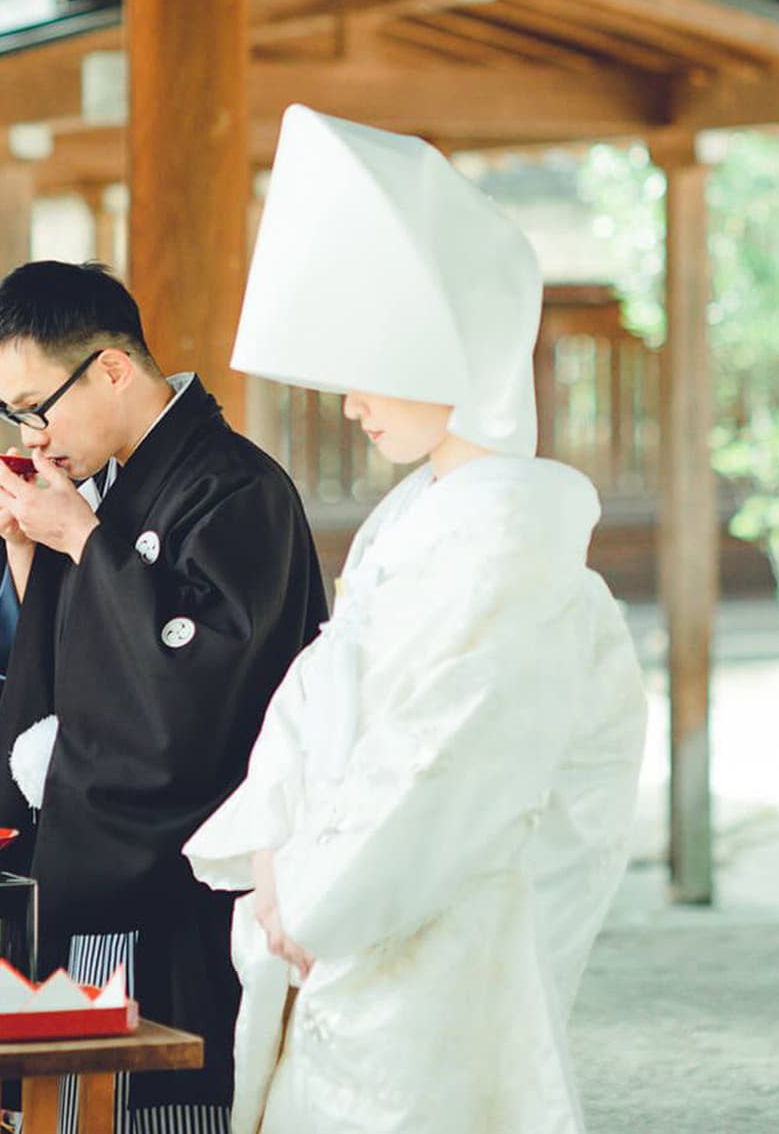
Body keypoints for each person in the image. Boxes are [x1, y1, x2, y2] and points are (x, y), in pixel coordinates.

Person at [184, 106, 649, 1134]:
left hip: (440, 961)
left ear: (454, 351)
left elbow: (443, 769)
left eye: (369, 362)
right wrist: (274, 848)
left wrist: (306, 892)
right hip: (337, 936)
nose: (350, 400)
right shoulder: (418, 527)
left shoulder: (519, 560)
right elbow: (310, 698)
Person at [0, 261, 327, 1134]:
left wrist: (82, 536)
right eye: (11, 414)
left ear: (113, 368)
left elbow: (200, 696)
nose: (31, 435)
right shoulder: (102, 490)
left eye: (36, 405)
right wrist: (25, 548)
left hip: (178, 878)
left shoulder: (241, 490)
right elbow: (37, 676)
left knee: (158, 1105)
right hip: (81, 862)